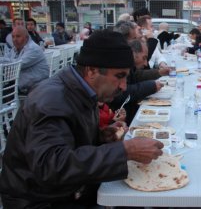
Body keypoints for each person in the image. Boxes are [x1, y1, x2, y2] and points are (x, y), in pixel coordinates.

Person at [0, 30, 164, 208]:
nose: (124, 87)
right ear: (92, 71)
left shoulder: (80, 90)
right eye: (120, 76)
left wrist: (100, 138)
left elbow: (67, 141)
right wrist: (124, 151)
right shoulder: (51, 100)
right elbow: (50, 166)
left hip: (65, 192)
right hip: (39, 201)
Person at [2, 26, 49, 94]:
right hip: (20, 82)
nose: (15, 39)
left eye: (18, 36)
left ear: (26, 38)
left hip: (34, 86)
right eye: (13, 36)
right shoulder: (15, 48)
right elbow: (8, 61)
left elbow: (16, 65)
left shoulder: (33, 48)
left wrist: (7, 67)